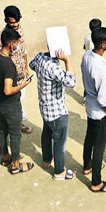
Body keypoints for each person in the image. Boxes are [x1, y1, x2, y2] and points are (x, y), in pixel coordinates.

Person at [0, 27, 34, 174]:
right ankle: (16, 164)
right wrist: (23, 85)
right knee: (15, 134)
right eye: (16, 43)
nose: (17, 46)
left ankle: (5, 156)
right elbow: (8, 90)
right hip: (11, 104)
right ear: (10, 44)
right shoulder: (8, 65)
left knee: (2, 129)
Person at [81, 26, 106, 193]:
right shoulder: (100, 68)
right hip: (100, 111)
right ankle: (96, 182)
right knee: (99, 147)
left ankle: (87, 166)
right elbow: (103, 99)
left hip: (90, 106)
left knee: (90, 137)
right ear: (103, 44)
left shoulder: (87, 55)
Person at [30, 48, 76, 180]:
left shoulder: (40, 57)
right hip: (57, 111)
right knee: (60, 142)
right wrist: (67, 60)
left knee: (47, 132)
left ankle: (46, 160)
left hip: (45, 107)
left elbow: (31, 64)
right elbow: (71, 82)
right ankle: (59, 171)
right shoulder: (54, 68)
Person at [0, 5, 32, 134]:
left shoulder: (20, 31)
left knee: (19, 102)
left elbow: (24, 51)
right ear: (6, 21)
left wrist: (26, 68)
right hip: (10, 78)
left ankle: (17, 124)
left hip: (22, 75)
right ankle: (8, 131)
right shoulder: (1, 39)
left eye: (17, 22)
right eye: (12, 23)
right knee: (11, 106)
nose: (15, 25)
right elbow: (2, 60)